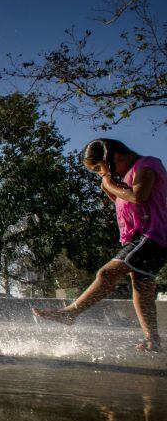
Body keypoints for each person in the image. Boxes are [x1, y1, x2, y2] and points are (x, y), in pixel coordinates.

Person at [33, 139, 166, 351]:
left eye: (98, 168)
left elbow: (138, 196)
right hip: (143, 237)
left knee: (107, 273)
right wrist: (110, 189)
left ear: (114, 157)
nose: (99, 173)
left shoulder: (146, 165)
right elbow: (128, 205)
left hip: (153, 235)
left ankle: (71, 313)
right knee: (142, 286)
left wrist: (109, 183)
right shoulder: (125, 175)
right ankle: (153, 341)